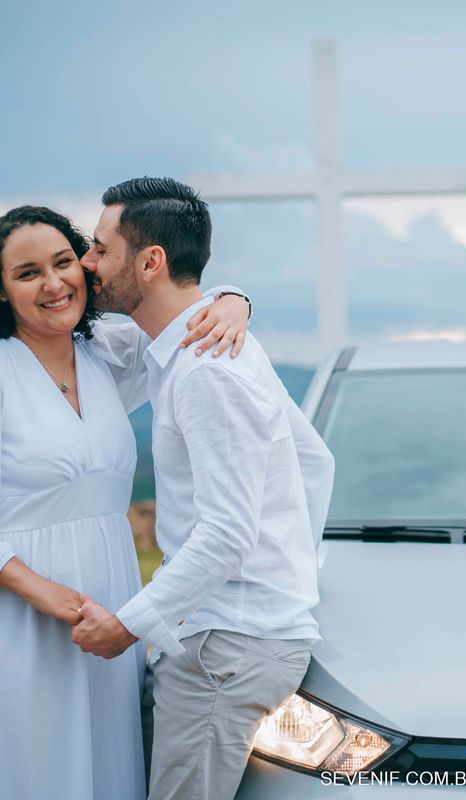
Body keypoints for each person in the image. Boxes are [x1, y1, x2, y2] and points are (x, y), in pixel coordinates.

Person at [72, 176, 335, 800]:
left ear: (150, 261)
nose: (87, 263)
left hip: (227, 645)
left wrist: (129, 626)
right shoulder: (207, 340)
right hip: (234, 632)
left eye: (100, 249)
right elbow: (314, 461)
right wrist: (291, 572)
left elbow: (227, 533)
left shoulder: (206, 372)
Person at [0, 205, 252, 800]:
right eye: (27, 273)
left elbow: (183, 302)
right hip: (21, 611)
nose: (55, 283)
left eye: (65, 262)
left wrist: (236, 299)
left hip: (111, 606)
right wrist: (33, 587)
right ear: (3, 291)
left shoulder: (109, 352)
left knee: (109, 767)